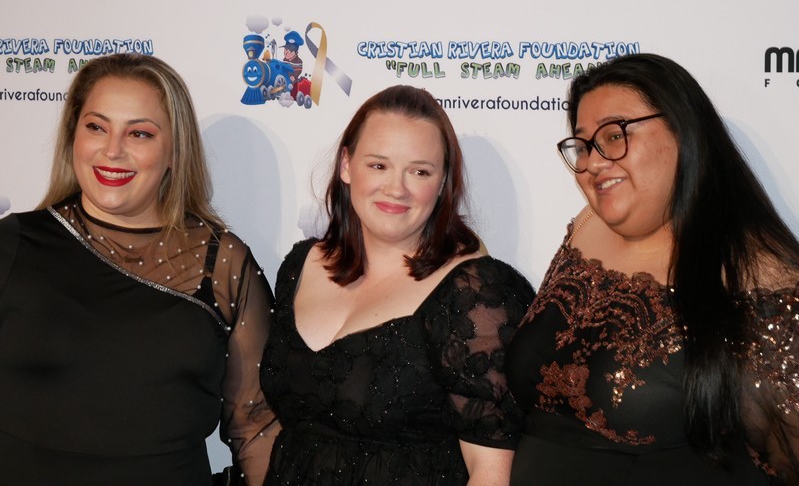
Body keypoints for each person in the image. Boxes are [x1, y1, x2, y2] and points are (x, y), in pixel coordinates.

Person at [506, 53, 799, 485]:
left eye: (614, 135)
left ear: (683, 131)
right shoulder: (585, 227)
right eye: (583, 146)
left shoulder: (762, 278)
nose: (592, 163)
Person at [0, 53, 278, 485]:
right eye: (96, 127)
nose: (112, 150)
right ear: (73, 137)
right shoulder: (12, 245)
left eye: (140, 133)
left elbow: (255, 425)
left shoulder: (222, 264)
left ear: (174, 152)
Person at [259, 85, 534, 485]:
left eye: (420, 172)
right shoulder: (300, 266)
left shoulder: (475, 293)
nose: (396, 188)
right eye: (378, 165)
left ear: (443, 182)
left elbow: (491, 472)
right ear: (346, 165)